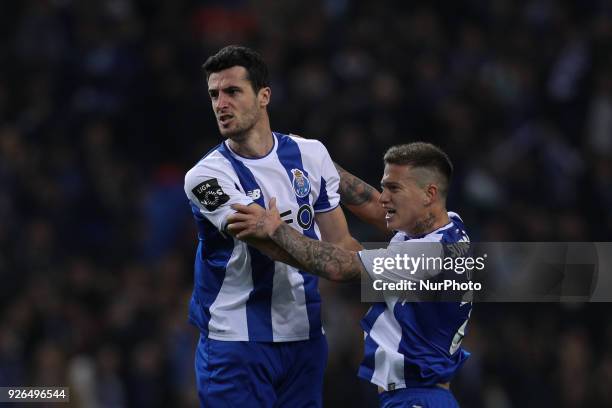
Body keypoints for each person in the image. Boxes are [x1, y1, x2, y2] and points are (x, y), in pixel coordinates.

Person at [183, 45, 383, 407]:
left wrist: (428, 245)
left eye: (232, 91)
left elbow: (344, 242)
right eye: (214, 94)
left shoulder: (310, 154)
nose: (220, 104)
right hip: (235, 344)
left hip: (304, 340)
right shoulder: (206, 178)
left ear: (264, 97)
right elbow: (275, 248)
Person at [228, 142, 473, 408]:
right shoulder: (446, 225)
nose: (383, 197)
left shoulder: (428, 255)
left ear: (429, 194)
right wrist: (311, 160)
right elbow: (370, 202)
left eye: (394, 188)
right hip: (420, 396)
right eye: (384, 186)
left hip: (417, 398)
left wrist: (276, 229)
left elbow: (339, 266)